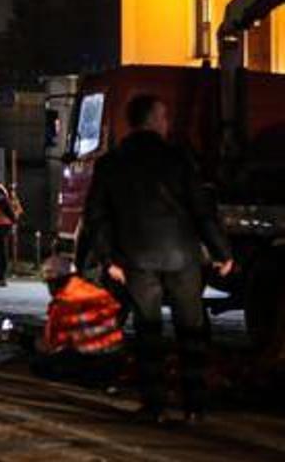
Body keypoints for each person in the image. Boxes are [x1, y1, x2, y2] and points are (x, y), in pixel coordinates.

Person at [79, 94, 233, 423]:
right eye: (163, 117)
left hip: (137, 259)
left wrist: (109, 260)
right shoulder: (178, 158)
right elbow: (202, 209)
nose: (166, 123)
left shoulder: (111, 162)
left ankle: (154, 405)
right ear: (152, 120)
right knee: (190, 330)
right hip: (182, 257)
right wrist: (221, 252)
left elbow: (96, 216)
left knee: (148, 331)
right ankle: (195, 405)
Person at [27, 254, 125, 387]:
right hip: (116, 358)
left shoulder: (63, 303)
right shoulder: (96, 292)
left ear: (54, 281)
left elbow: (52, 344)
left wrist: (34, 343)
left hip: (91, 363)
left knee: (39, 363)